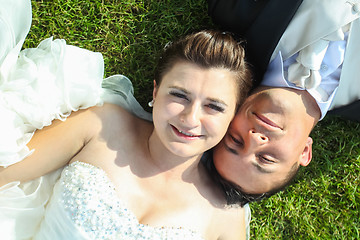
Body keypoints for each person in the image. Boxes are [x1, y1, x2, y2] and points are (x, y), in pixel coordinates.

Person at [0, 1, 253, 238]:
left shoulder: (226, 216)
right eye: (179, 95)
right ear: (155, 92)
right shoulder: (101, 125)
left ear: (232, 116)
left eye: (214, 107)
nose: (190, 117)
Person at [202, 0, 360, 205]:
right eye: (266, 158)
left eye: (235, 140)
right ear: (304, 152)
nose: (255, 139)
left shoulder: (233, 10)